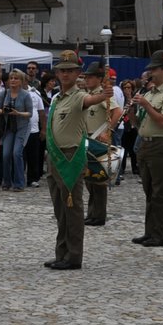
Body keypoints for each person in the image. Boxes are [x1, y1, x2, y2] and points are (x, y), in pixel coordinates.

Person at [43, 51, 111, 270]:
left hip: (71, 157)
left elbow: (92, 99)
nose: (65, 74)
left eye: (70, 70)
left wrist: (104, 95)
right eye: (62, 70)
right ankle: (61, 252)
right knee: (60, 209)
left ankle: (73, 256)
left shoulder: (79, 96)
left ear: (77, 74)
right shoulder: (56, 98)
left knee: (72, 208)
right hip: (55, 157)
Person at [131, 51, 163, 248]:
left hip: (162, 144)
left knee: (160, 192)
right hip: (146, 143)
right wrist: (132, 109)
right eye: (150, 69)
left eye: (154, 69)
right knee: (149, 190)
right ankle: (149, 231)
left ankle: (159, 234)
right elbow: (138, 123)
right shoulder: (149, 93)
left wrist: (145, 104)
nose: (150, 72)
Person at [81, 65, 121, 225]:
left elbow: (117, 111)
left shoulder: (103, 94)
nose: (87, 79)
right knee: (89, 179)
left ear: (98, 79)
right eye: (86, 77)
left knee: (98, 179)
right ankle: (92, 213)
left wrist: (108, 130)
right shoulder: (88, 95)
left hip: (97, 139)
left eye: (90, 77)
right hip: (87, 138)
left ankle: (98, 215)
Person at [0, 70, 34, 192]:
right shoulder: (4, 93)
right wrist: (3, 111)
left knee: (16, 153)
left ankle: (19, 183)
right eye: (11, 78)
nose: (13, 80)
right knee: (6, 154)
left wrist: (18, 113)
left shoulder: (25, 95)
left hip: (21, 127)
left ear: (21, 81)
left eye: (16, 78)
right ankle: (6, 182)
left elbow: (30, 113)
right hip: (8, 127)